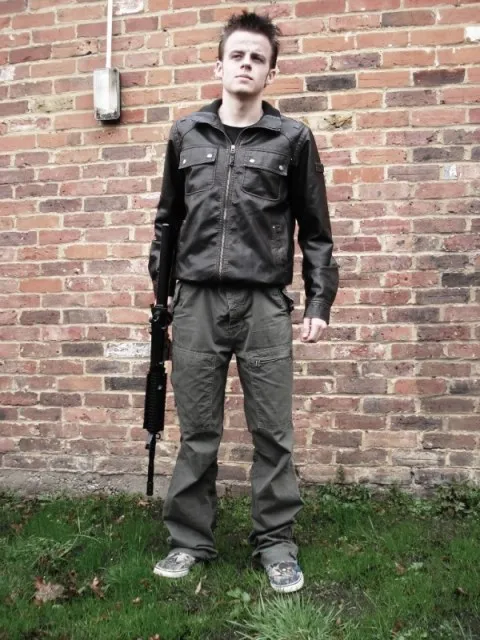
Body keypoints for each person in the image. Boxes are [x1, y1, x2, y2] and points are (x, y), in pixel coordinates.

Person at [148, 11, 339, 593]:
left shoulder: (293, 140)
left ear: (270, 73)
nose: (247, 64)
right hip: (197, 303)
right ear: (219, 66)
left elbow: (317, 231)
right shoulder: (186, 135)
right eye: (238, 55)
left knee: (272, 433)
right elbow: (167, 223)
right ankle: (189, 541)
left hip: (264, 306)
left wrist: (319, 302)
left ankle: (276, 543)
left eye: (258, 58)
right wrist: (162, 301)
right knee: (197, 431)